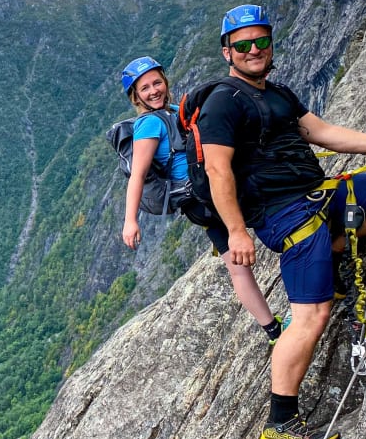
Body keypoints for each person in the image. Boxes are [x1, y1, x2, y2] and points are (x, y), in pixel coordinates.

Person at [197, 4, 366, 439]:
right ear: (227, 52)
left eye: (260, 41)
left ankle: (335, 254)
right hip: (282, 214)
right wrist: (237, 232)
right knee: (311, 315)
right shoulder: (222, 104)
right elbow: (218, 173)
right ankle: (282, 420)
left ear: (270, 43)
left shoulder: (279, 93)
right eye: (242, 45)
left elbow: (322, 133)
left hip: (315, 193)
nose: (253, 50)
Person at [119, 56, 282, 345]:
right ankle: (277, 325)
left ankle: (273, 330)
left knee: (237, 265)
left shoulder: (172, 112)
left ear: (165, 82)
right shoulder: (148, 125)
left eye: (157, 82)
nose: (153, 90)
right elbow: (137, 175)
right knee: (256, 243)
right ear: (136, 96)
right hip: (205, 197)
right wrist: (130, 221)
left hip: (203, 196)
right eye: (145, 88)